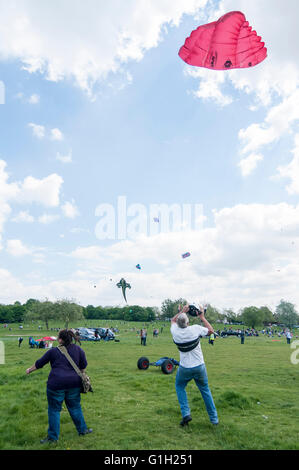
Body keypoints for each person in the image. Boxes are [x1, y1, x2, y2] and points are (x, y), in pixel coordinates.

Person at [26, 329, 92, 444]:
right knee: (75, 407)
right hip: (74, 384)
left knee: (54, 410)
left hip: (56, 384)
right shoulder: (79, 349)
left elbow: (39, 363)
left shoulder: (53, 351)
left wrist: (29, 370)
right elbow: (83, 367)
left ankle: (52, 438)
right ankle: (83, 430)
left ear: (60, 339)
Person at [171, 304, 218, 427]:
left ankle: (186, 414)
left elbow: (172, 320)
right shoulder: (195, 329)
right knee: (205, 391)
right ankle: (214, 419)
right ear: (187, 323)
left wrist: (182, 311)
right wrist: (202, 317)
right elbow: (211, 331)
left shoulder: (175, 331)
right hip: (199, 366)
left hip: (185, 367)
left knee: (180, 386)